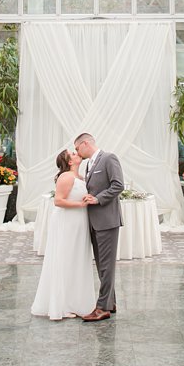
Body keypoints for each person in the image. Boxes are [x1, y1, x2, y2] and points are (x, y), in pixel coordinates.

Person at [30, 149, 98, 320]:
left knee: (76, 261)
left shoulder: (80, 177)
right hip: (67, 222)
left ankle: (74, 301)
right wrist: (80, 205)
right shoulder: (66, 177)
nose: (77, 154)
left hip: (78, 223)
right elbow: (58, 201)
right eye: (73, 154)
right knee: (65, 260)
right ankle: (61, 305)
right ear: (69, 162)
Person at [75, 132, 124, 322]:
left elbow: (118, 185)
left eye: (78, 148)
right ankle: (110, 302)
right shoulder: (89, 164)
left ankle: (102, 308)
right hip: (95, 222)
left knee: (106, 265)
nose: (77, 152)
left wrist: (98, 198)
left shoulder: (109, 158)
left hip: (107, 221)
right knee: (103, 266)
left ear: (86, 143)